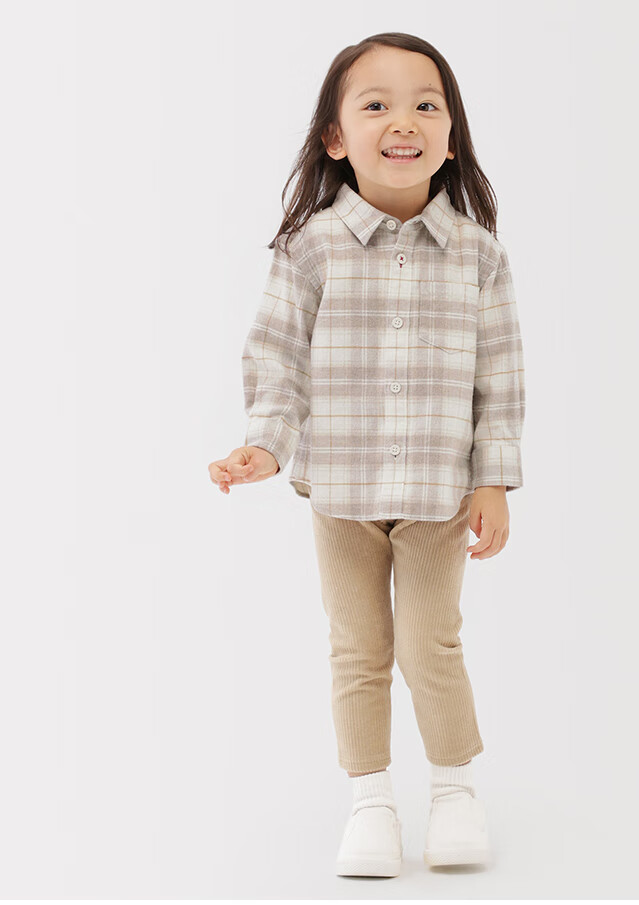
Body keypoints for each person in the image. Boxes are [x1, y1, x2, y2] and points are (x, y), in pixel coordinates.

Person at [208, 32, 525, 877]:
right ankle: (371, 801)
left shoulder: (479, 255)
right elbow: (277, 356)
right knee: (357, 647)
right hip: (342, 493)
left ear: (451, 137)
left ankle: (454, 792)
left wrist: (493, 478)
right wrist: (265, 445)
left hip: (438, 494)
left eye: (426, 104)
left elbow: (500, 375)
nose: (403, 121)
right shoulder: (309, 248)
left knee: (431, 643)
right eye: (376, 104)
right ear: (336, 136)